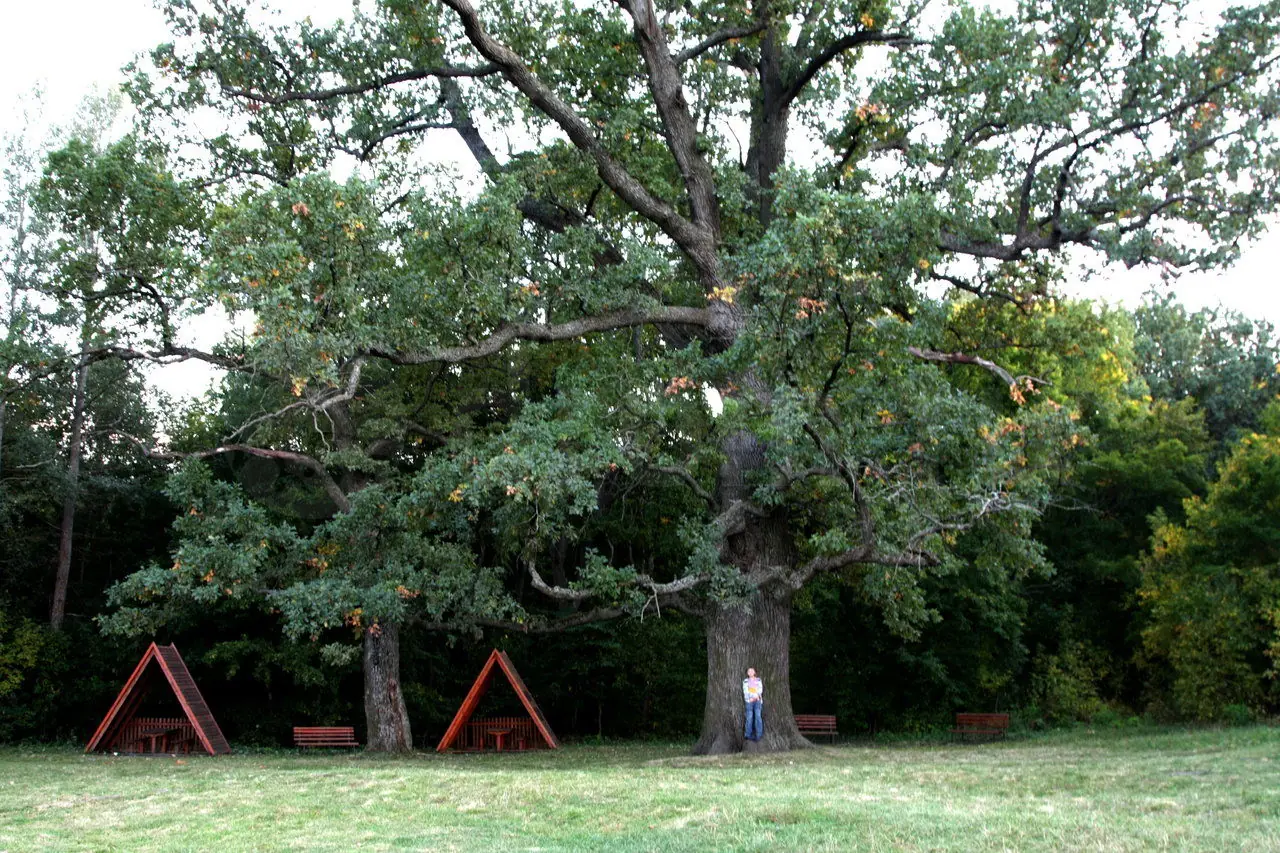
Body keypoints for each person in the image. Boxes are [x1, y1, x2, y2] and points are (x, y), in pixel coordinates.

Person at [742, 667, 763, 741]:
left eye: (752, 671)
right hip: (749, 701)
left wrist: (755, 696)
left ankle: (759, 734)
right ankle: (748, 734)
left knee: (758, 716)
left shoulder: (758, 680)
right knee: (749, 717)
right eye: (749, 671)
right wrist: (753, 697)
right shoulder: (745, 681)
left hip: (757, 701)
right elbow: (746, 691)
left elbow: (760, 690)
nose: (750, 672)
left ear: (754, 672)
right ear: (747, 673)